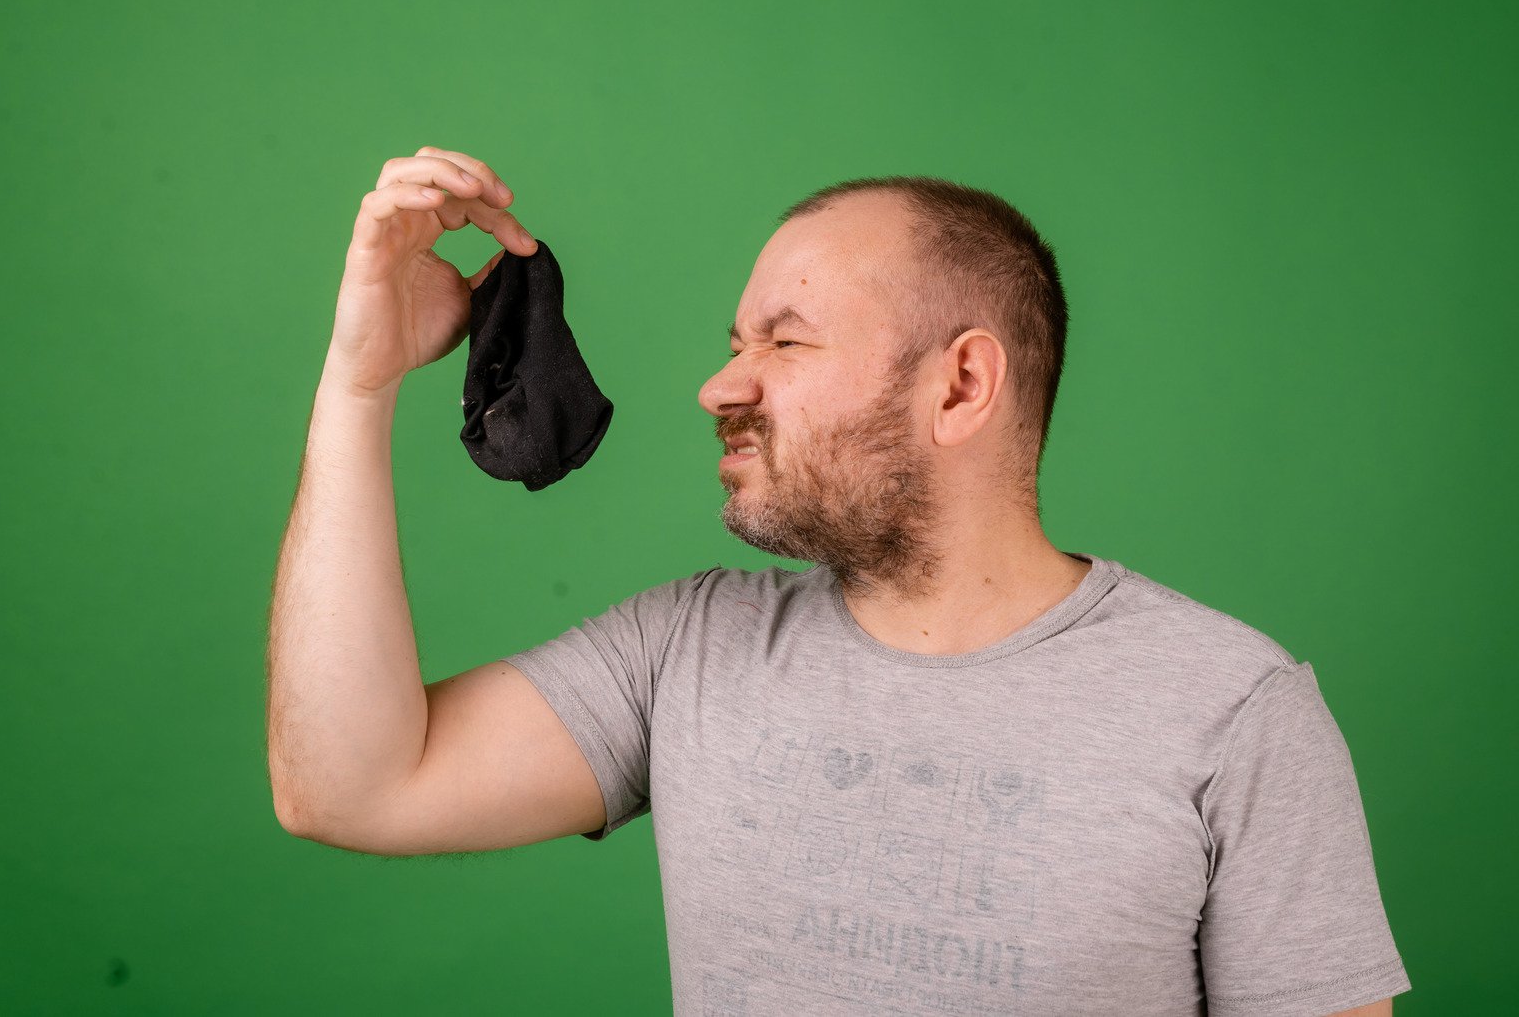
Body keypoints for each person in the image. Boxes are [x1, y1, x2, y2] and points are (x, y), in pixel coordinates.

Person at [266, 146, 1411, 1016]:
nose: (719, 385)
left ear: (962, 385)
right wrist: (356, 383)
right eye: (734, 340)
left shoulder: (1233, 712)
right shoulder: (687, 652)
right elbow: (348, 785)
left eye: (784, 341)